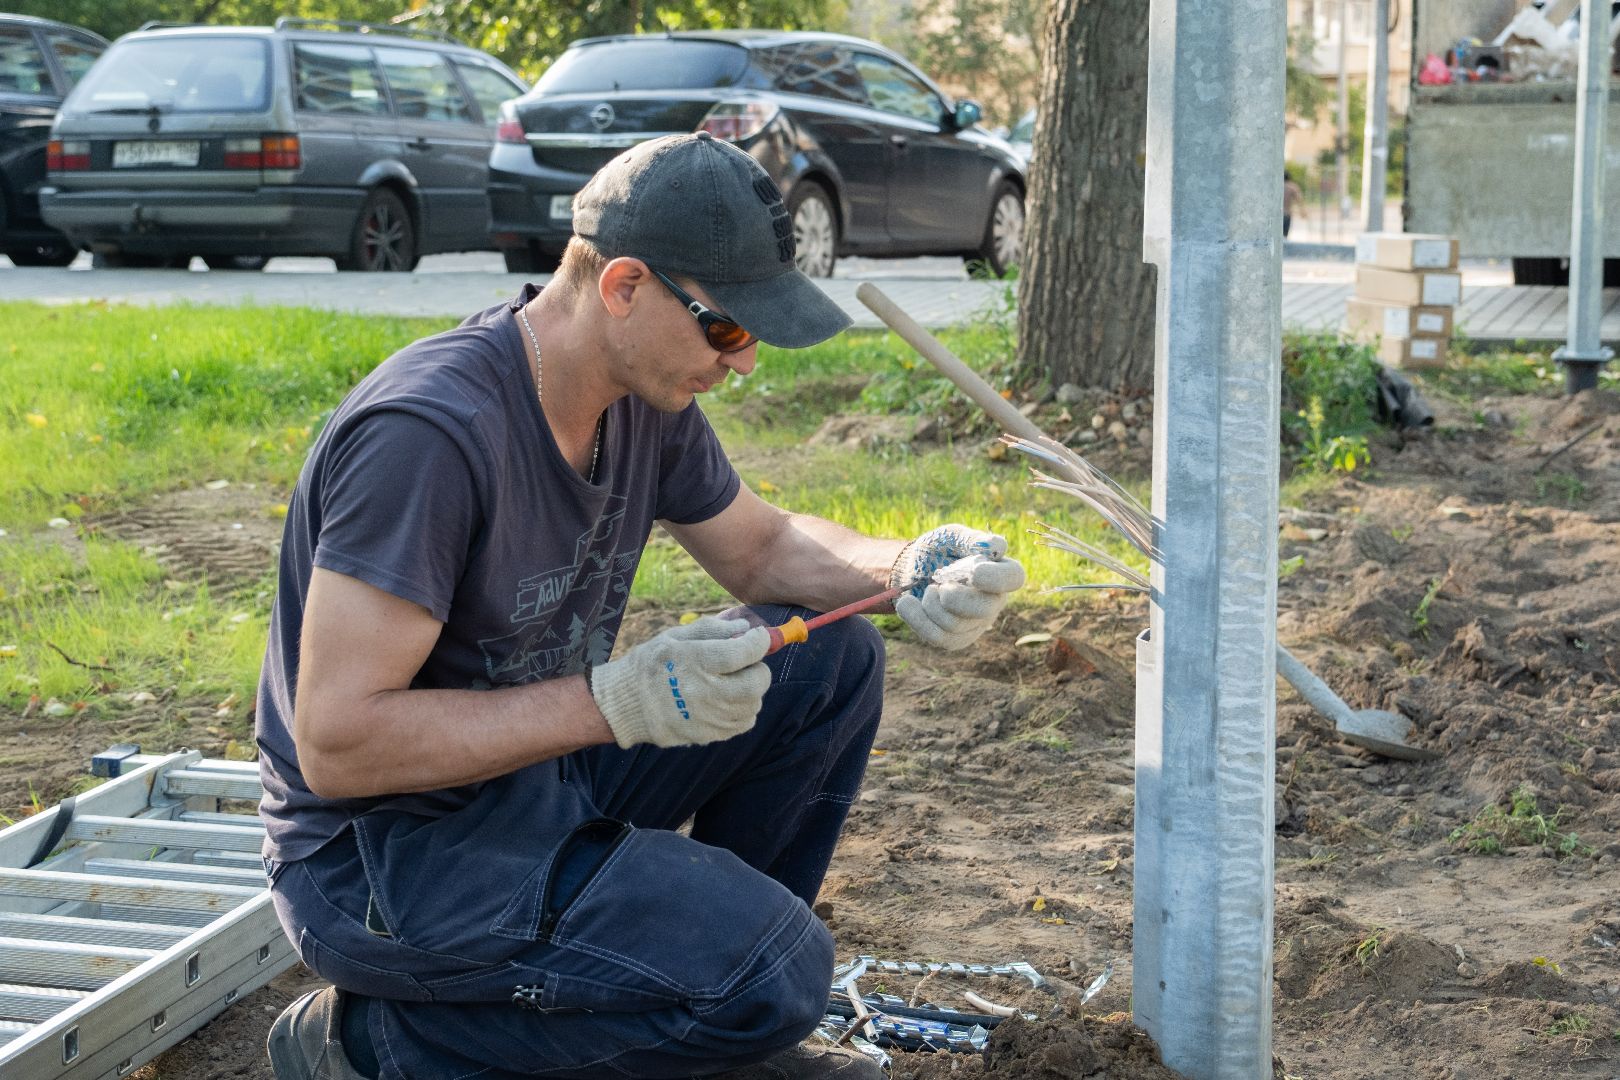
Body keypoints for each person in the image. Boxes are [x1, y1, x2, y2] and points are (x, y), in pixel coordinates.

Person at [256, 131, 1025, 1080]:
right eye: (728, 328)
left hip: (535, 778)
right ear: (623, 285)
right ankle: (368, 1043)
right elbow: (338, 745)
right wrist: (614, 701)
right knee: (779, 969)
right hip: (389, 859)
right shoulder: (428, 437)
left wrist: (907, 566)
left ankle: (713, 1015)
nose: (742, 364)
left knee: (829, 666)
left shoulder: (642, 402)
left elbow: (765, 548)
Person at [1283, 167, 1307, 239]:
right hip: (1287, 214)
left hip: (1277, 215)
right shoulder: (1292, 186)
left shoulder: (1277, 185)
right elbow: (1299, 200)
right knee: (1284, 235)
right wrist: (1303, 211)